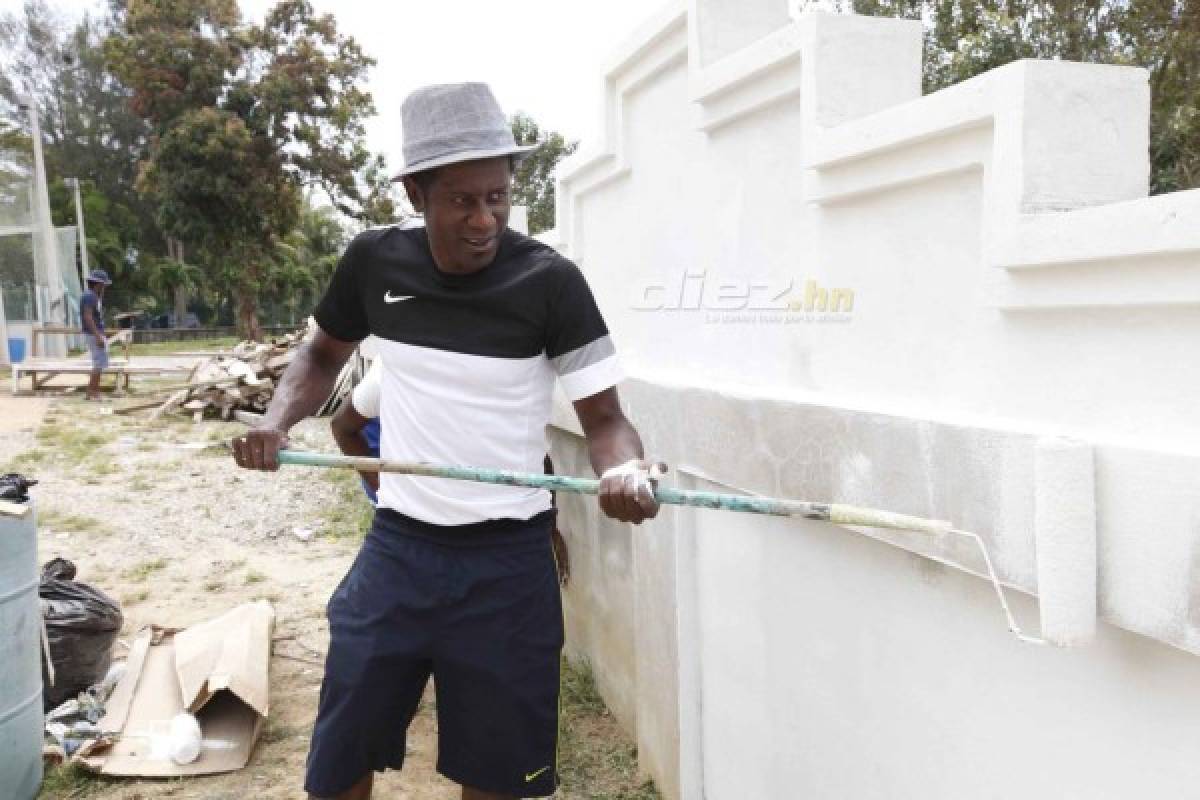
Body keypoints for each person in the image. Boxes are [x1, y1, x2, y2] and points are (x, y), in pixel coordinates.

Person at [232, 82, 661, 800]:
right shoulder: (374, 263)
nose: (485, 218)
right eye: (463, 200)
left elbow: (608, 424)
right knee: (338, 762)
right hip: (400, 550)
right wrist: (277, 421)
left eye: (498, 196)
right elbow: (320, 355)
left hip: (508, 565)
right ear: (414, 194)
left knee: (499, 778)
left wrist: (629, 475)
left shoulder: (550, 283)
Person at [330, 359, 570, 585]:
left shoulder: (502, 385)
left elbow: (533, 458)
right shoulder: (404, 368)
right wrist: (387, 491)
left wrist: (549, 526)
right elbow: (343, 427)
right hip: (407, 502)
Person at [80, 269, 113, 401]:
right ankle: (94, 392)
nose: (104, 288)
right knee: (98, 364)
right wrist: (98, 335)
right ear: (98, 284)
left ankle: (91, 392)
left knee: (99, 363)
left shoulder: (92, 296)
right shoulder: (90, 296)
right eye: (103, 285)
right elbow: (88, 316)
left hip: (95, 332)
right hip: (94, 333)